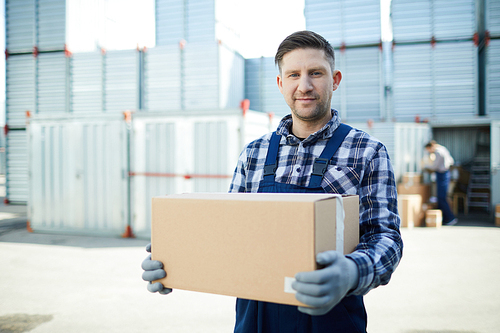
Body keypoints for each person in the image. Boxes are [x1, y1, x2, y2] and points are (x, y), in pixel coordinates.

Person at [142, 30, 403, 332]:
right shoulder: (254, 153)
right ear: (281, 84)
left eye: (315, 73)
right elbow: (230, 235)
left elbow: (386, 237)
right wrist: (178, 259)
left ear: (335, 80)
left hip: (331, 318)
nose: (304, 86)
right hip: (256, 320)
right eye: (293, 74)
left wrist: (352, 272)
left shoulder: (367, 151)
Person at [424, 140, 457, 226]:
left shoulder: (438, 152)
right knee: (441, 197)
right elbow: (451, 161)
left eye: (428, 150)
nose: (429, 152)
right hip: (444, 173)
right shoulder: (443, 149)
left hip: (442, 174)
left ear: (431, 147)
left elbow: (434, 166)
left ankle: (450, 218)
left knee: (441, 197)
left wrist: (426, 167)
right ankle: (445, 218)